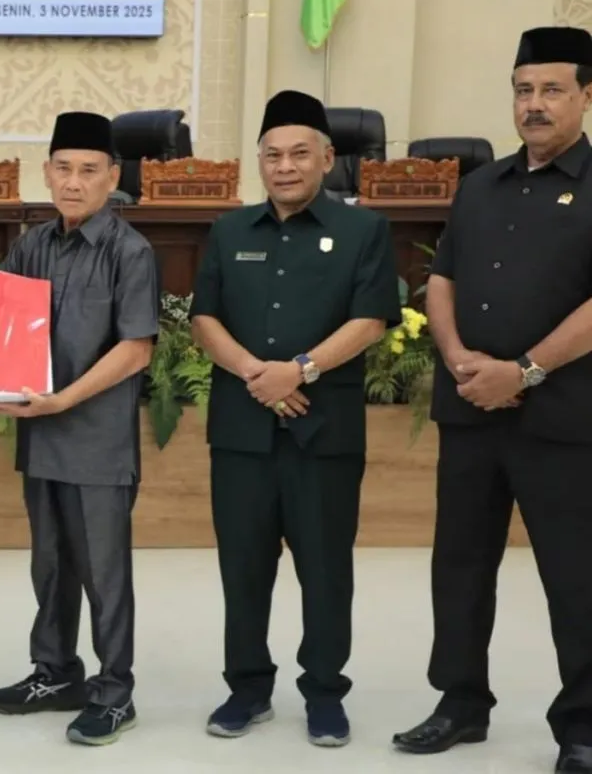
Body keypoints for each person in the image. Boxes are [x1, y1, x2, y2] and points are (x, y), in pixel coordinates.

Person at [391, 26, 592, 774]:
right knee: (461, 566)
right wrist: (455, 357)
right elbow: (442, 278)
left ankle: (583, 727)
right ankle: (460, 703)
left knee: (575, 575)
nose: (534, 104)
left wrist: (526, 370)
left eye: (552, 90)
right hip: (472, 409)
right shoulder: (479, 185)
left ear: (585, 96)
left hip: (563, 417)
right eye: (523, 89)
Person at [190, 90, 400, 748]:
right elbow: (203, 319)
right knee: (243, 568)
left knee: (326, 571)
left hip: (324, 434)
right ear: (259, 160)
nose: (285, 166)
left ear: (327, 158)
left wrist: (300, 369)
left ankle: (325, 693)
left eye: (299, 154)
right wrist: (259, 374)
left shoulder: (364, 231)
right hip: (242, 434)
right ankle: (247, 688)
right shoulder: (229, 231)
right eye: (273, 155)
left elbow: (370, 320)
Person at [0, 111, 160, 747]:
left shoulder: (130, 252)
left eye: (88, 170)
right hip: (42, 438)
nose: (73, 182)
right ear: (47, 173)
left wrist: (63, 400)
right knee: (50, 566)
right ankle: (55, 673)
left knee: (104, 575)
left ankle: (114, 693)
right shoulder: (33, 245)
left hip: (98, 442)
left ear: (112, 176)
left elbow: (136, 349)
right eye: (63, 169)